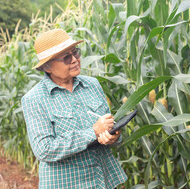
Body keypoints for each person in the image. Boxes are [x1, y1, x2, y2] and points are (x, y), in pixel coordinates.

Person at [21, 29, 127, 188]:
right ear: (48, 67)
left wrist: (113, 137)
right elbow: (45, 150)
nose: (74, 60)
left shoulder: (92, 85)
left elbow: (107, 127)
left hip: (102, 181)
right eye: (66, 57)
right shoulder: (34, 99)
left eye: (75, 53)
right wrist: (93, 132)